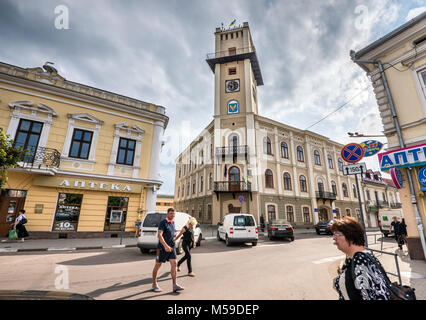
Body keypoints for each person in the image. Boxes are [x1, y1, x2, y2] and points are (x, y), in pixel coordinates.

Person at [332, 216, 391, 300]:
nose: (334, 238)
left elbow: (374, 296)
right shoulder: (355, 259)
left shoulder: (360, 260)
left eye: (337, 234)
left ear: (350, 236)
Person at [151, 208, 184, 293]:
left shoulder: (173, 223)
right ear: (167, 214)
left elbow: (171, 235)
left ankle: (175, 285)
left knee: (175, 263)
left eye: (173, 214)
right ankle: (154, 284)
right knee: (158, 265)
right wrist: (165, 245)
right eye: (171, 213)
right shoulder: (163, 222)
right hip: (162, 248)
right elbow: (159, 235)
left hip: (171, 248)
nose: (172, 215)